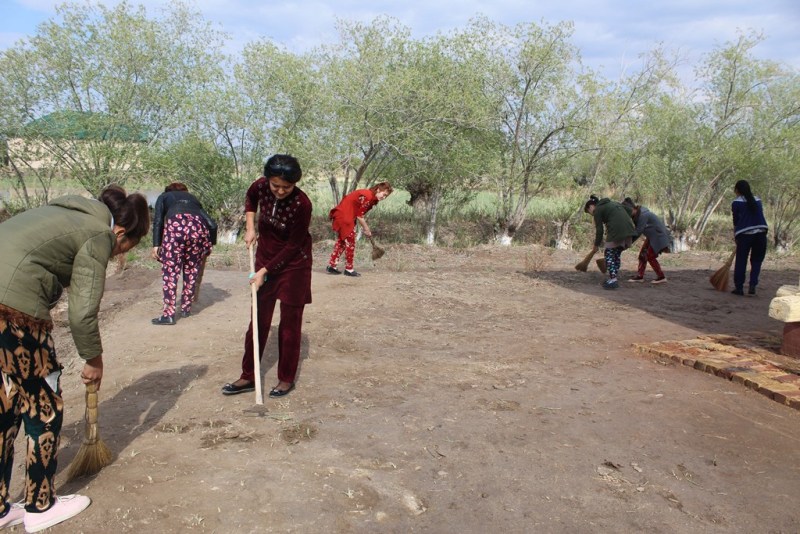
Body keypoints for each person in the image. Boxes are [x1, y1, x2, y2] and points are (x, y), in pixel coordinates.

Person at [0, 185, 149, 532]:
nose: (119, 254)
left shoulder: (64, 212)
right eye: (125, 247)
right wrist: (94, 359)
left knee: (6, 405)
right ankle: (40, 505)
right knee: (43, 406)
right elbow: (82, 313)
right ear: (121, 232)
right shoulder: (98, 235)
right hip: (12, 310)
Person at [222, 155, 311, 398]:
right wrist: (250, 226)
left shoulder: (302, 205)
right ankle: (248, 376)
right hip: (264, 256)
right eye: (276, 186)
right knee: (258, 320)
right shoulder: (260, 186)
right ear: (268, 180)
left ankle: (286, 378)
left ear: (295, 184)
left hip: (294, 264)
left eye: (287, 187)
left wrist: (264, 272)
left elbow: (293, 246)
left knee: (290, 325)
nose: (280, 191)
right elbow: (250, 200)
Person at [151, 182, 217, 325]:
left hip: (176, 228)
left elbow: (158, 221)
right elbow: (212, 224)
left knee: (171, 272)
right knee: (192, 269)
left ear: (168, 191)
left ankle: (168, 315)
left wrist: (156, 244)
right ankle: (186, 308)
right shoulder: (193, 199)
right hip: (197, 229)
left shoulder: (164, 197)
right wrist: (209, 245)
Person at [327, 182, 393, 277]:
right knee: (350, 242)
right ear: (378, 190)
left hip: (345, 215)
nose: (384, 197)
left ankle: (332, 266)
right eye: (384, 194)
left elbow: (358, 212)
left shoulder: (370, 196)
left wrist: (363, 227)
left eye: (386, 196)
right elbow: (360, 216)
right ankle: (349, 269)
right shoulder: (368, 197)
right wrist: (367, 229)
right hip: (344, 216)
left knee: (342, 241)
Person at [583, 194, 637, 290]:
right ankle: (613, 277)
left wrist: (596, 245)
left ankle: (613, 279)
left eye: (588, 211)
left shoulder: (598, 210)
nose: (591, 214)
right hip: (629, 231)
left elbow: (599, 230)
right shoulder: (613, 203)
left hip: (617, 231)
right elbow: (630, 211)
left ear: (591, 206)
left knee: (608, 254)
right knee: (616, 254)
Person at [731, 179, 768, 296]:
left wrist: (736, 235)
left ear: (737, 190)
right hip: (761, 234)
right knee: (756, 260)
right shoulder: (758, 200)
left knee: (741, 260)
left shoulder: (736, 203)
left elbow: (736, 221)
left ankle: (739, 287)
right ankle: (752, 285)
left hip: (745, 234)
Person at [622, 198, 672, 285]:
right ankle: (639, 276)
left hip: (658, 236)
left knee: (650, 256)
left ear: (632, 208)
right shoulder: (637, 215)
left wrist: (628, 244)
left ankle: (661, 277)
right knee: (642, 255)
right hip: (652, 236)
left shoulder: (643, 215)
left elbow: (638, 232)